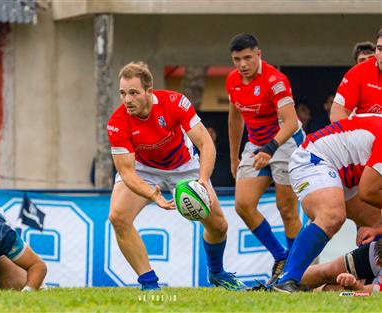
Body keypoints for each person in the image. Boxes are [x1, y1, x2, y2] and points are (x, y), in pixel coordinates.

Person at [107, 61, 246, 291]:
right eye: (123, 93)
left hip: (184, 167)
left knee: (219, 226)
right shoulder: (117, 122)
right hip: (144, 169)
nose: (127, 100)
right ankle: (149, 283)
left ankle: (217, 273)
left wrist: (202, 180)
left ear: (149, 92)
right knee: (117, 217)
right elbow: (126, 172)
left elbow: (206, 143)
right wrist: (153, 194)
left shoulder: (174, 102)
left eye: (133, 93)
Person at [226, 33, 304, 286]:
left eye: (247, 57)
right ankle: (281, 256)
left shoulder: (276, 80)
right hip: (256, 144)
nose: (243, 64)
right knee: (243, 205)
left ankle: (295, 271)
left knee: (287, 208)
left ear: (258, 54)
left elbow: (291, 123)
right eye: (237, 59)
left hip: (285, 142)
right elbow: (235, 118)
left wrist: (270, 149)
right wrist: (234, 155)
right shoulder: (232, 81)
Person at [274, 114, 382, 293]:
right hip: (314, 158)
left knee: (375, 224)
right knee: (332, 216)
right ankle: (287, 281)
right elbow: (368, 191)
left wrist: (378, 231)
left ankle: (367, 286)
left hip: (347, 173)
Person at [301, 230, 382, 293]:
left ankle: (317, 289)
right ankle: (290, 277)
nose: (377, 262)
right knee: (325, 273)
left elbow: (363, 291)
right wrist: (377, 229)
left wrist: (353, 284)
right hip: (376, 249)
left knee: (335, 290)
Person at [330, 28, 382, 121]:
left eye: (369, 57)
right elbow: (337, 112)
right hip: (364, 132)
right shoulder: (358, 72)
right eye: (380, 49)